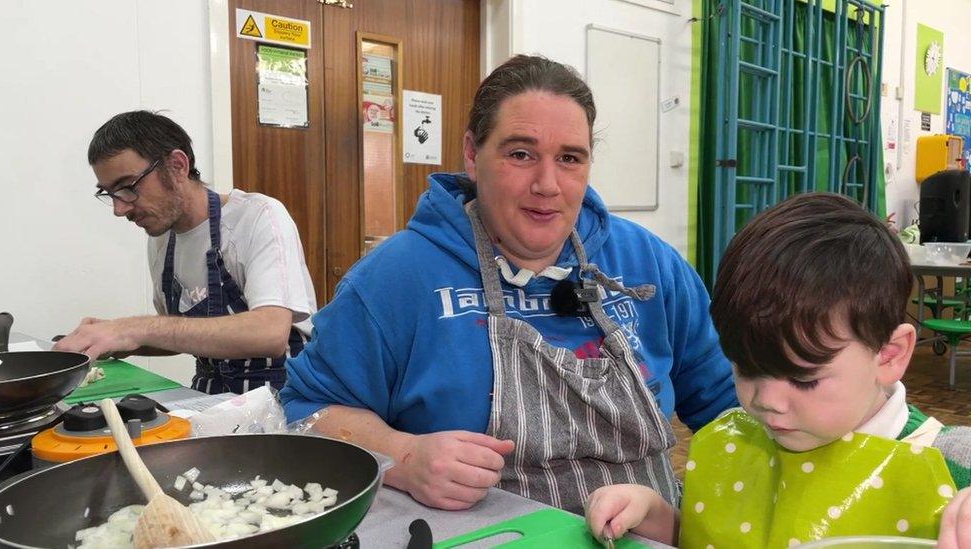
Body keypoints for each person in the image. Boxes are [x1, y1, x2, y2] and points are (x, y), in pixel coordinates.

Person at [281, 55, 736, 513]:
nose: (547, 184)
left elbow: (727, 407)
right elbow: (306, 409)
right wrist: (403, 456)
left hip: (646, 533)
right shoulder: (395, 279)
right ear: (472, 155)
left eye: (570, 159)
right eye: (521, 154)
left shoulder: (650, 265)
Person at [585, 193, 971, 547]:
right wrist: (651, 514)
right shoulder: (735, 441)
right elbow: (708, 536)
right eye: (746, 368)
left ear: (888, 355)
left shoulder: (952, 463)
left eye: (803, 379)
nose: (765, 401)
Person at [54, 111, 316, 394]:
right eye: (109, 194)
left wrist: (131, 329)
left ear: (178, 166)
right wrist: (113, 339)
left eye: (128, 187)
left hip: (283, 399)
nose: (120, 209)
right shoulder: (161, 240)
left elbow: (269, 333)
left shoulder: (258, 217)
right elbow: (177, 333)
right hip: (209, 397)